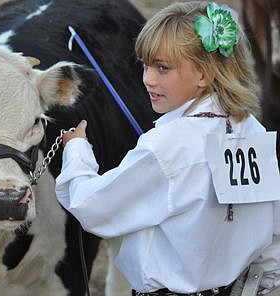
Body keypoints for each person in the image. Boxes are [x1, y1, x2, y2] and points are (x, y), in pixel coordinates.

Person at [55, 1, 280, 295]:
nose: (148, 79)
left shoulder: (166, 147)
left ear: (204, 74)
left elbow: (93, 207)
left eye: (163, 68)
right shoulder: (250, 128)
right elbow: (272, 229)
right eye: (146, 65)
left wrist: (77, 151)